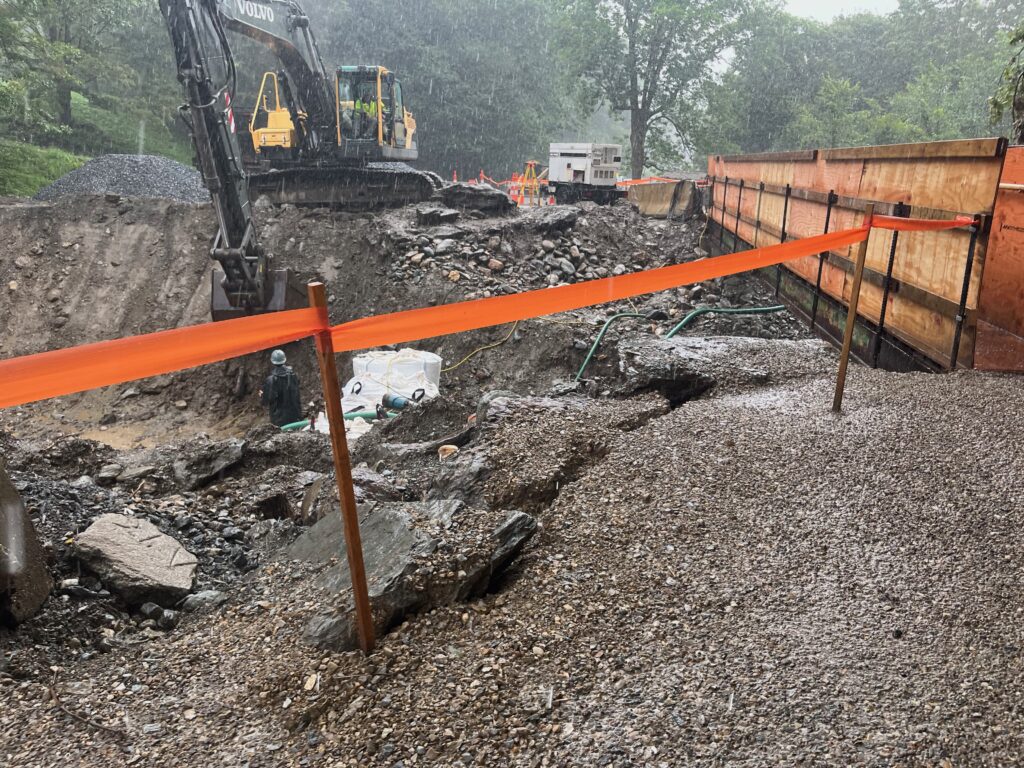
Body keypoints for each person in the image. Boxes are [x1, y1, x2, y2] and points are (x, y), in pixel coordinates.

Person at [260, 349, 302, 427]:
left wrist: (262, 395)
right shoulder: (293, 375)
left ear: (272, 361)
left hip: (279, 420)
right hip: (296, 416)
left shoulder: (271, 380)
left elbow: (267, 400)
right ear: (284, 359)